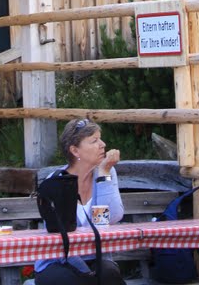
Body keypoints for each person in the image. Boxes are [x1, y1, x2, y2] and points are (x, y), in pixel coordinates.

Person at [34, 118, 125, 285]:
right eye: (94, 141)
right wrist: (86, 273)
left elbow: (113, 217)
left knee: (109, 276)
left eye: (100, 138)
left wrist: (104, 172)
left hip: (96, 256)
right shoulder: (56, 181)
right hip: (59, 259)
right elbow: (58, 239)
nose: (103, 144)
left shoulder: (105, 172)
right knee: (71, 281)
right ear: (75, 151)